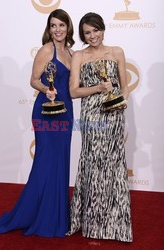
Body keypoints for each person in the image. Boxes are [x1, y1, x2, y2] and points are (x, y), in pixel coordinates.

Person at [0, 9, 74, 237]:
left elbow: (73, 88)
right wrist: (48, 89)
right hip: (46, 111)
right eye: (53, 25)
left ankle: (56, 216)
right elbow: (34, 80)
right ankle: (37, 215)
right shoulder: (47, 50)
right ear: (49, 28)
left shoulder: (72, 53)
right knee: (45, 162)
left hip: (65, 114)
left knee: (60, 163)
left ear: (68, 27)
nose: (58, 30)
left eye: (61, 25)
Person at [67, 12, 133, 242]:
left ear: (103, 29)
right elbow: (74, 91)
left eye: (96, 30)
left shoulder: (117, 52)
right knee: (94, 164)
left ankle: (116, 224)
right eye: (87, 32)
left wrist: (120, 102)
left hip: (114, 115)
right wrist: (97, 88)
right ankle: (94, 224)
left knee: (112, 165)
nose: (93, 35)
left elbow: (125, 86)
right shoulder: (79, 56)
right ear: (83, 35)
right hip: (92, 115)